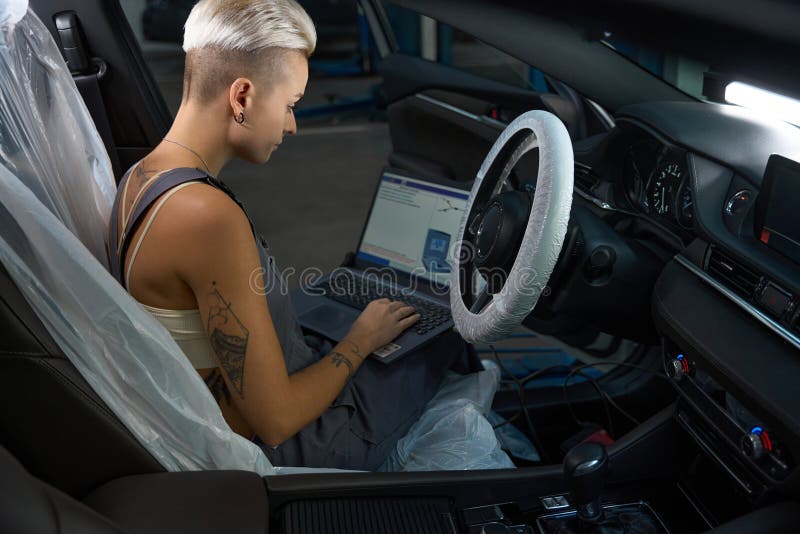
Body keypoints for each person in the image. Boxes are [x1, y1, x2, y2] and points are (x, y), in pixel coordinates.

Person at [108, 0, 481, 470]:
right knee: (444, 338)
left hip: (203, 413)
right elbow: (278, 420)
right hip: (278, 447)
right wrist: (360, 341)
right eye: (290, 105)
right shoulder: (207, 216)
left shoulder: (141, 177)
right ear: (242, 96)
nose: (292, 124)